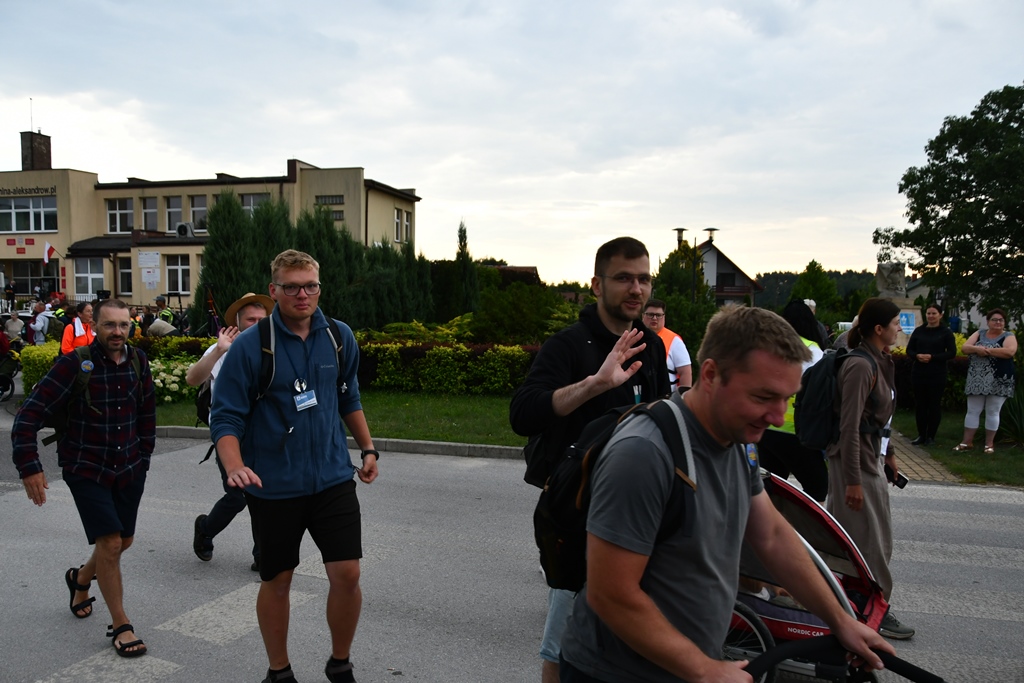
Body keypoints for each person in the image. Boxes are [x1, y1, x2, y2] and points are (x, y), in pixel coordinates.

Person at [559, 305, 893, 682]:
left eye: (786, 398)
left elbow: (771, 534)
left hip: (682, 668)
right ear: (711, 375)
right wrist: (704, 669)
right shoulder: (644, 453)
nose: (778, 417)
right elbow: (611, 594)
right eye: (764, 397)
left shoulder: (737, 439)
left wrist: (841, 620)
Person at [210, 250, 379, 683]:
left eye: (310, 286)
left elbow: (348, 396)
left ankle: (340, 663)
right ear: (274, 290)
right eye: (291, 287)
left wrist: (367, 448)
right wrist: (234, 466)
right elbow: (225, 416)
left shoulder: (338, 336)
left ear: (319, 287)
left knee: (348, 572)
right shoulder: (251, 345)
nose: (302, 295)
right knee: (278, 579)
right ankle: (279, 670)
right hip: (274, 485)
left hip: (332, 477)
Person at [509, 236, 669, 683]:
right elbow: (523, 413)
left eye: (643, 279)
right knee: (563, 649)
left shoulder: (651, 346)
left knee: (631, 645)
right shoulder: (568, 345)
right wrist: (595, 384)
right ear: (597, 285)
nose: (636, 289)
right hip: (579, 515)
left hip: (639, 513)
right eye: (623, 278)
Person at [11, 298, 156, 657]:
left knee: (123, 541)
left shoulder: (138, 361)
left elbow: (146, 413)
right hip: (86, 468)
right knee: (110, 543)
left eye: (123, 325)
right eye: (109, 325)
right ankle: (121, 625)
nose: (117, 332)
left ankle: (79, 579)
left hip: (129, 467)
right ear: (94, 327)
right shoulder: (74, 364)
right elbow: (28, 416)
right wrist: (30, 467)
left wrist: (144, 457)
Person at [825, 298, 914, 640]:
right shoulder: (861, 366)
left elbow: (881, 419)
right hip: (856, 462)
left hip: (871, 458)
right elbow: (848, 426)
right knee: (869, 542)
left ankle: (857, 605)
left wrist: (889, 454)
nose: (899, 329)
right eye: (895, 323)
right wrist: (852, 481)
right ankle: (874, 611)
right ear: (879, 329)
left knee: (873, 539)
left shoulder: (880, 360)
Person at [186, 292, 274, 570]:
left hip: (264, 435)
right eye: (250, 319)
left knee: (263, 495)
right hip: (230, 435)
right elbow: (192, 379)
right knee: (237, 497)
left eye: (261, 319)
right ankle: (205, 529)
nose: (257, 324)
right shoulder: (223, 349)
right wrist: (218, 350)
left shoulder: (272, 349)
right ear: (237, 322)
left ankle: (262, 555)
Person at [757, 299, 829, 502]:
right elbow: (819, 393)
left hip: (766, 428)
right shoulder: (812, 351)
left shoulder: (770, 347)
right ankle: (803, 523)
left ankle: (768, 520)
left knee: (771, 487)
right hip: (796, 431)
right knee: (818, 487)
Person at [954, 308, 1018, 454]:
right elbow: (965, 348)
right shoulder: (979, 333)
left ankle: (989, 444)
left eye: (1001, 320)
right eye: (994, 320)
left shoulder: (1009, 336)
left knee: (993, 411)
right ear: (988, 321)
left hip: (999, 379)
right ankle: (966, 442)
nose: (998, 322)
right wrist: (977, 349)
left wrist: (986, 351)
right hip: (977, 378)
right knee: (973, 410)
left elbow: (1009, 351)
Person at [906, 304, 958, 446]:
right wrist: (917, 356)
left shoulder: (946, 332)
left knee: (933, 404)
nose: (930, 316)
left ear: (940, 315)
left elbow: (951, 352)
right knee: (920, 405)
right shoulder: (919, 331)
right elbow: (909, 350)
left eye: (934, 313)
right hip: (919, 372)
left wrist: (933, 357)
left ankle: (931, 436)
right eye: (928, 313)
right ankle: (921, 435)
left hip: (937, 373)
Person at [642, 299, 692, 392]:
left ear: (664, 317)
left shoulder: (675, 341)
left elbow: (685, 372)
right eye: (650, 314)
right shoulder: (635, 336)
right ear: (643, 316)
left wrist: (683, 397)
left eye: (658, 315)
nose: (654, 318)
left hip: (666, 396)